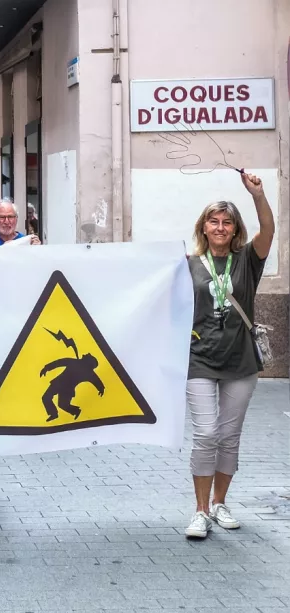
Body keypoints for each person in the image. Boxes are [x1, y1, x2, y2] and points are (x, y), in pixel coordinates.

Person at [183, 172, 274, 539]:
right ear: (203, 227)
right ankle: (200, 511)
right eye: (213, 221)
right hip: (199, 359)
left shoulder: (247, 259)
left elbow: (268, 228)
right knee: (206, 435)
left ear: (235, 229)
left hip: (240, 362)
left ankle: (220, 503)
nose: (220, 227)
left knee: (229, 435)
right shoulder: (187, 264)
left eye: (227, 222)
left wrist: (258, 195)